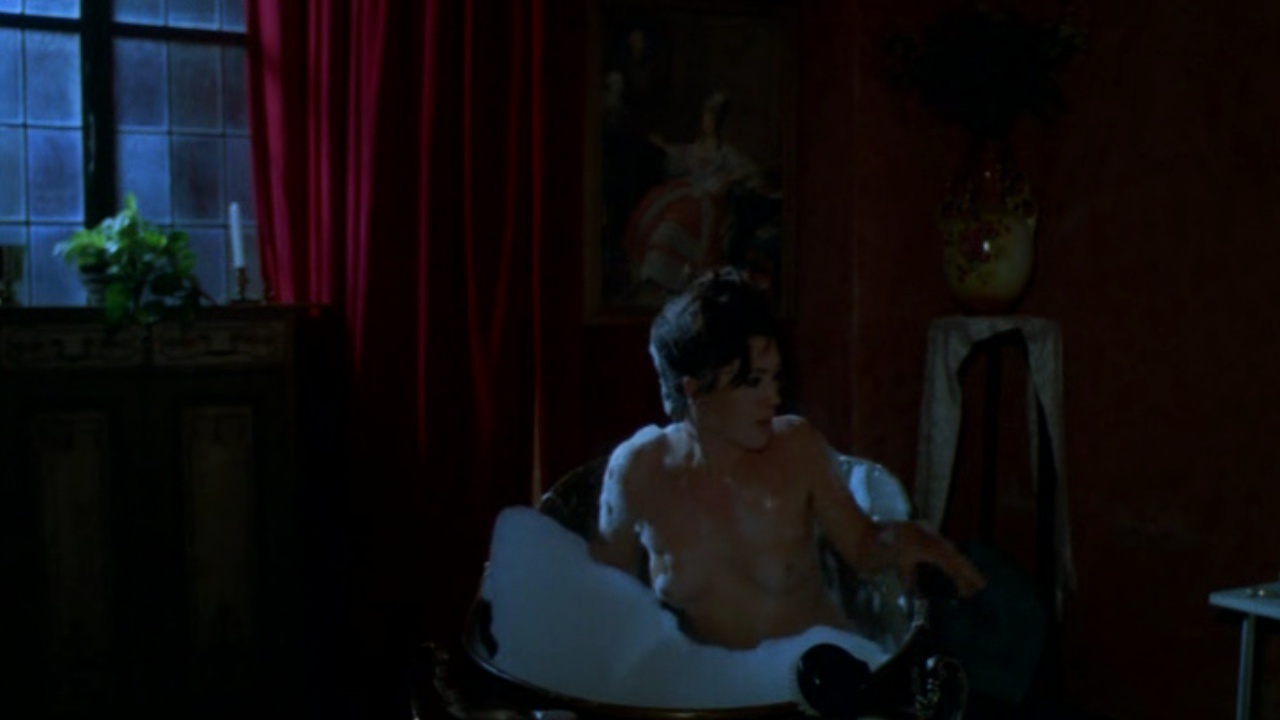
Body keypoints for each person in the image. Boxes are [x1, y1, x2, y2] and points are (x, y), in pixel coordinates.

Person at [590, 267, 986, 650]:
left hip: (810, 676)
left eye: (774, 378)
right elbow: (604, 598)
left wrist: (909, 540)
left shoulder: (796, 448)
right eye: (753, 382)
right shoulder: (640, 471)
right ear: (694, 390)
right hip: (708, 682)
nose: (773, 398)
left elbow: (864, 547)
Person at [622, 92, 768, 304]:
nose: (710, 123)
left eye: (715, 119)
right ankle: (655, 277)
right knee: (662, 215)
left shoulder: (726, 154)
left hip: (711, 201)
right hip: (687, 194)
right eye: (707, 118)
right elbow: (674, 155)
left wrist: (729, 180)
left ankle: (674, 281)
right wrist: (659, 144)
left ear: (721, 123)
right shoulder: (693, 150)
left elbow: (752, 173)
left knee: (681, 220)